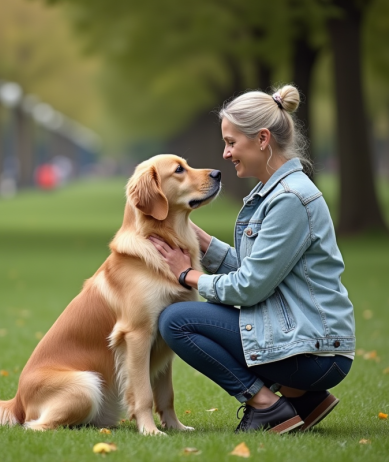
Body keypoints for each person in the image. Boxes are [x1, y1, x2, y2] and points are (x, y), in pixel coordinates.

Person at [149, 84, 355, 434]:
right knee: (184, 318)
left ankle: (267, 406)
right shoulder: (274, 193)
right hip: (308, 341)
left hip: (317, 353)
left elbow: (249, 287)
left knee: (176, 321)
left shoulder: (290, 199)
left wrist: (187, 275)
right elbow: (262, 273)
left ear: (262, 139)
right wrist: (204, 243)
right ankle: (303, 399)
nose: (226, 154)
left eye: (231, 142)